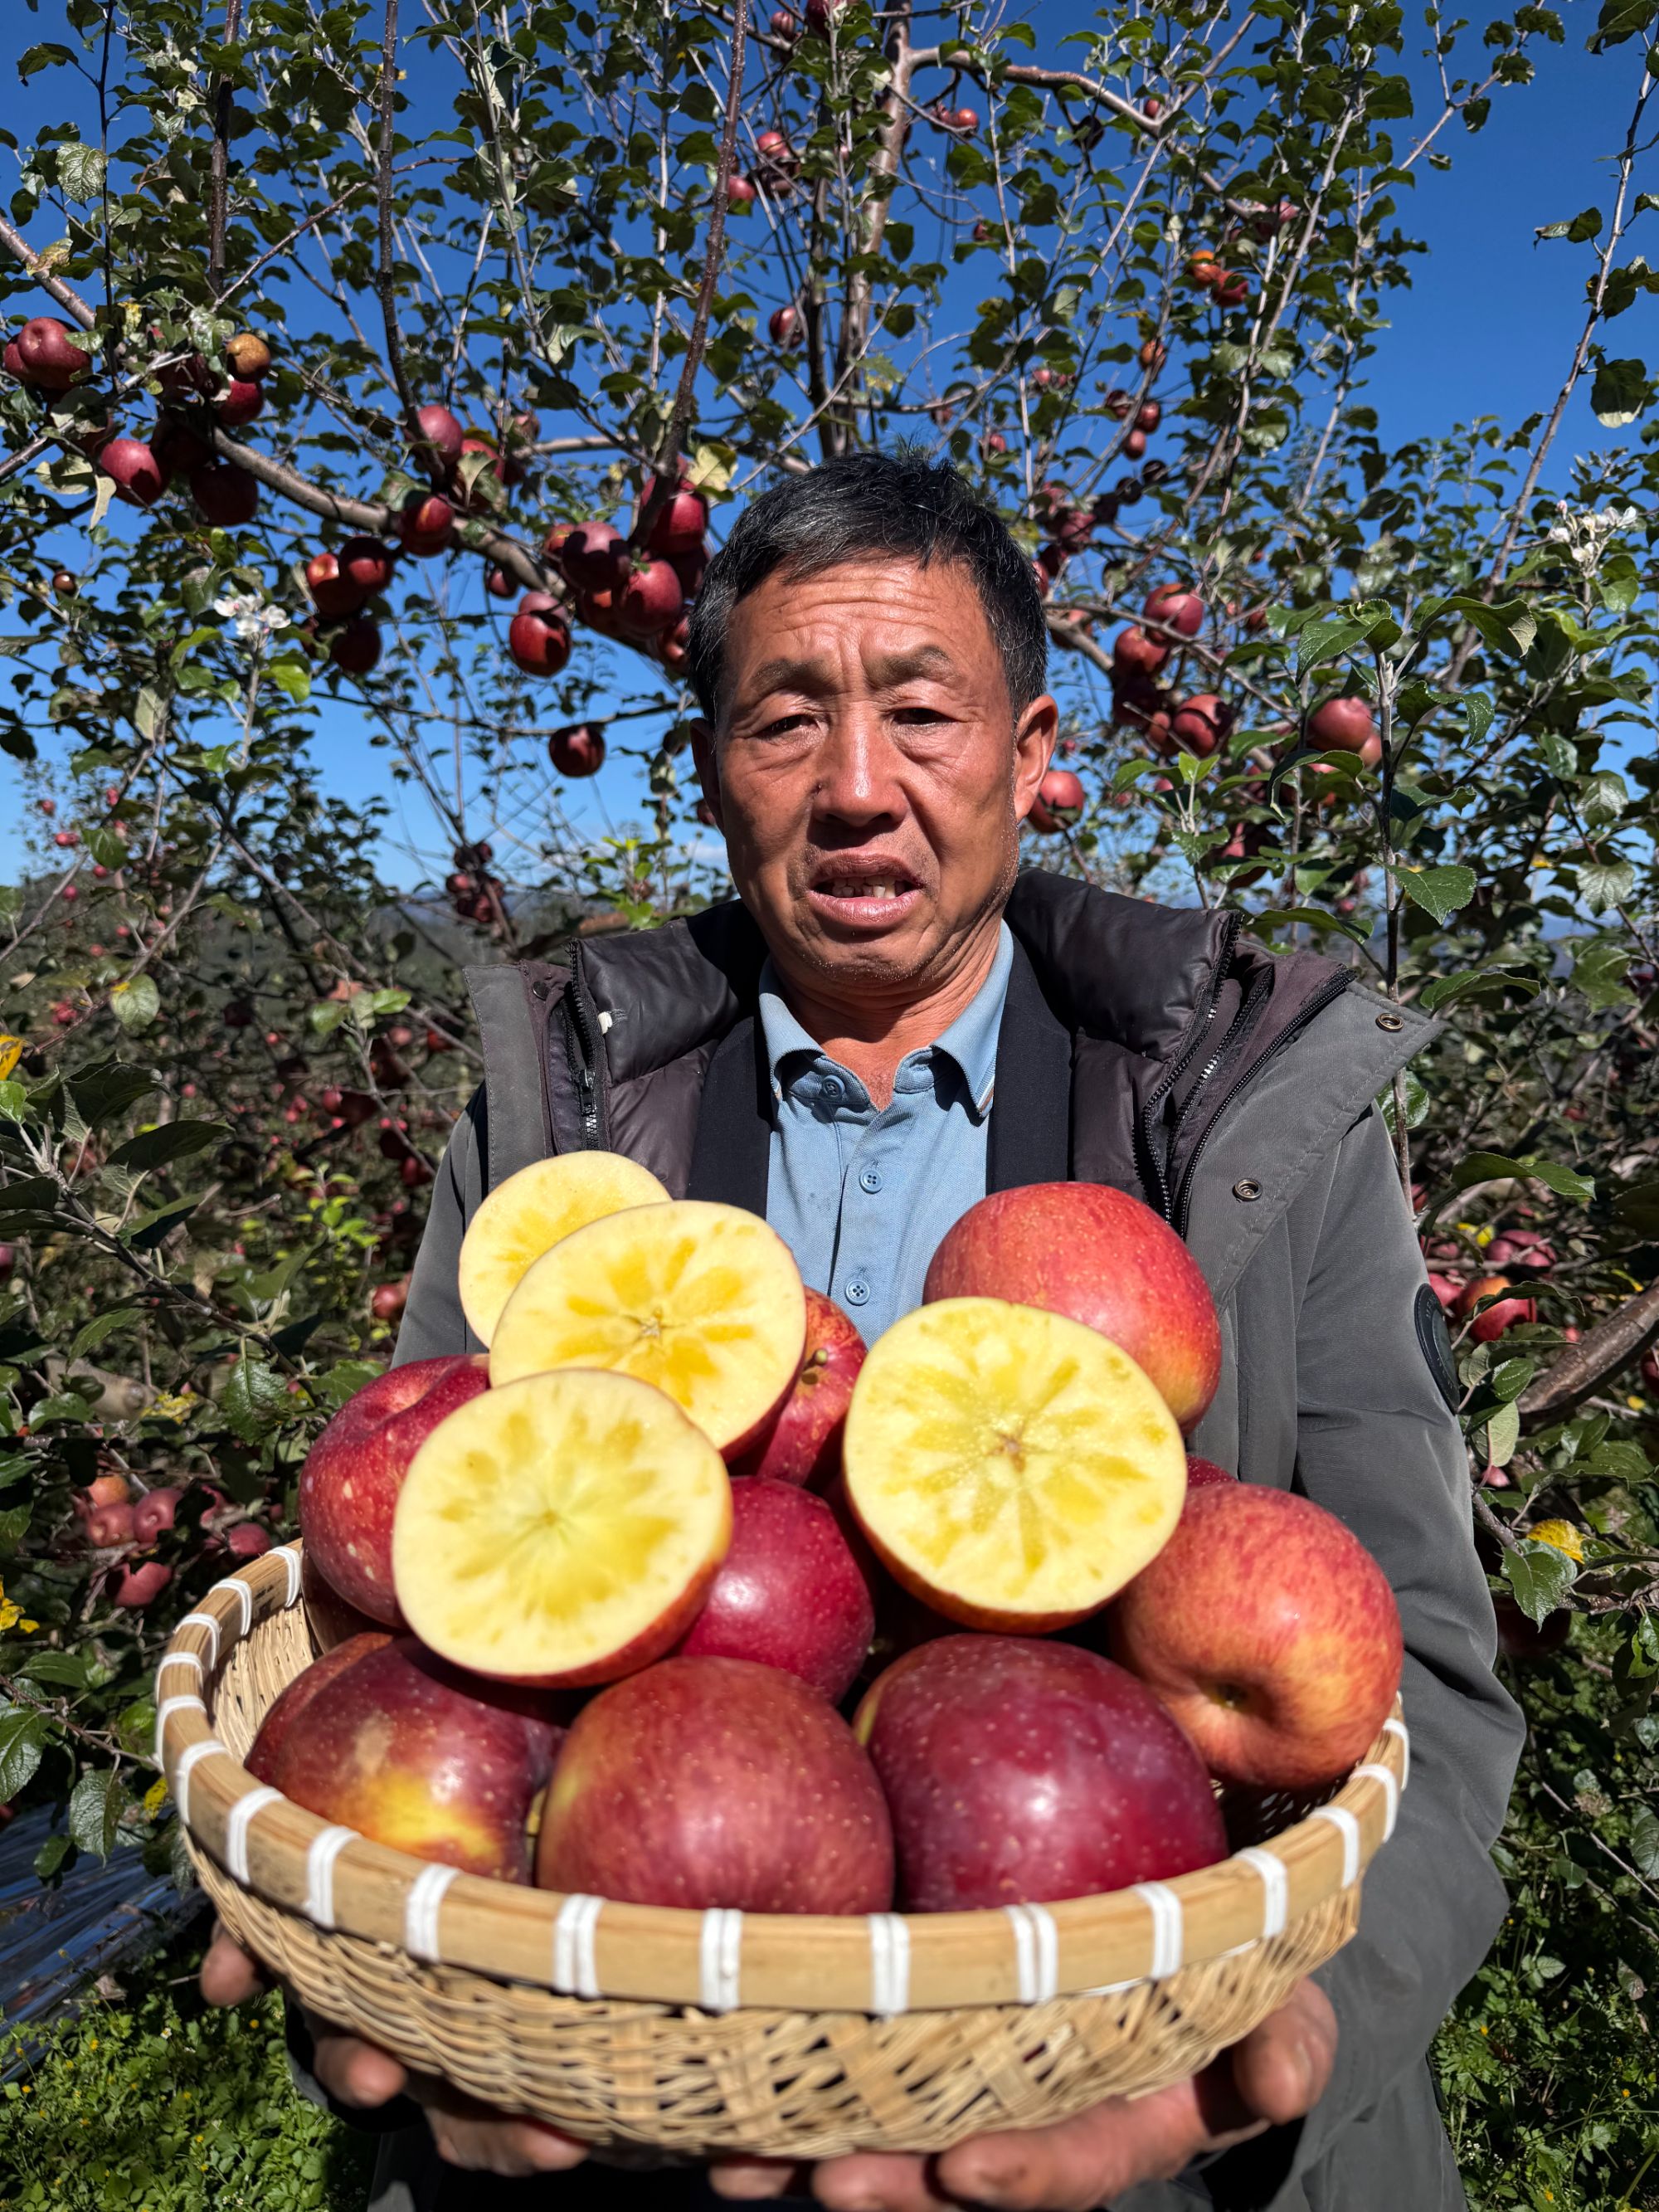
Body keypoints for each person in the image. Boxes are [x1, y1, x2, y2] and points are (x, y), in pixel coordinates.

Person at [202, 448, 1523, 2212]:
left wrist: (1289, 2043)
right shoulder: (561, 1138)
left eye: (922, 711)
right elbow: (411, 1595)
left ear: (1036, 757)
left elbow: (1427, 1678)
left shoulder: (1250, 1113)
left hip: (1136, 2109)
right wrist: (352, 1952)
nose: (854, 789)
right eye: (782, 723)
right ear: (707, 773)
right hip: (628, 2110)